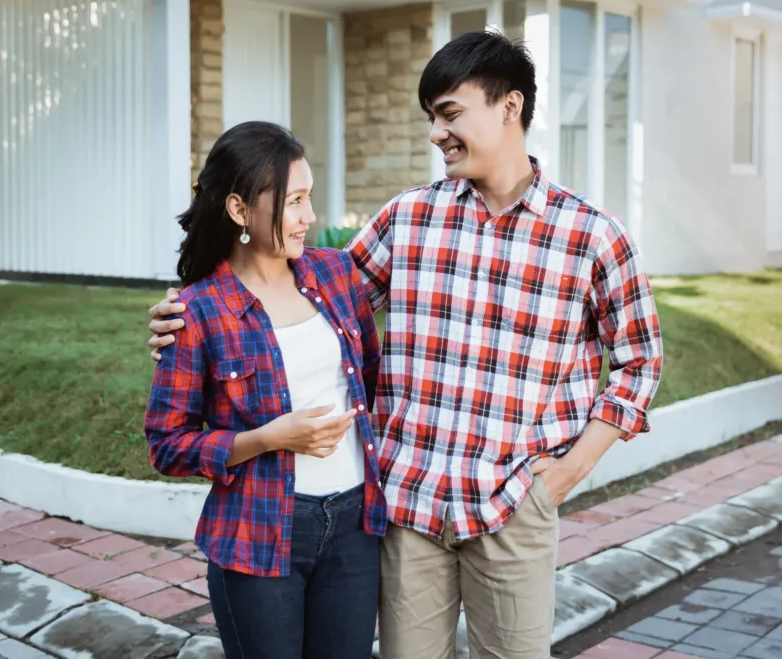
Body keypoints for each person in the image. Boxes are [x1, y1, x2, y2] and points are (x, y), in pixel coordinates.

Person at [150, 33, 662, 659]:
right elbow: (307, 293)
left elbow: (640, 360)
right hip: (407, 504)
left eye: (450, 114)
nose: (435, 134)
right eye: (431, 119)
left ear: (510, 107)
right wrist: (196, 316)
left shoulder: (592, 237)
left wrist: (573, 467)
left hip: (512, 500)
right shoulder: (409, 219)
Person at [144, 121, 384, 659]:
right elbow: (166, 445)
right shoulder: (200, 311)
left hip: (353, 527)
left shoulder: (337, 274)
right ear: (238, 210)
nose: (310, 217)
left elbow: (371, 377)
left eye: (309, 198)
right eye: (294, 201)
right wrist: (267, 438)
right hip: (258, 536)